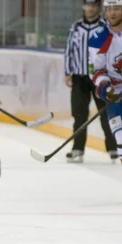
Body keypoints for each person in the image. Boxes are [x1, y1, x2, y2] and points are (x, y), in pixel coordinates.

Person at [65, 0, 117, 163]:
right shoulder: (76, 26)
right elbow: (69, 50)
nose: (90, 8)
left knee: (106, 113)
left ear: (98, 7)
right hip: (79, 77)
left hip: (100, 77)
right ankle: (78, 148)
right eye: (87, 5)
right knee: (79, 114)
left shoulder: (105, 26)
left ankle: (113, 147)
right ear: (83, 6)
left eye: (93, 5)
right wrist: (68, 72)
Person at [91, 0, 122, 163]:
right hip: (115, 94)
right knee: (121, 140)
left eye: (117, 8)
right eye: (109, 9)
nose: (112, 13)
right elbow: (96, 70)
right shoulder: (99, 37)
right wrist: (105, 86)